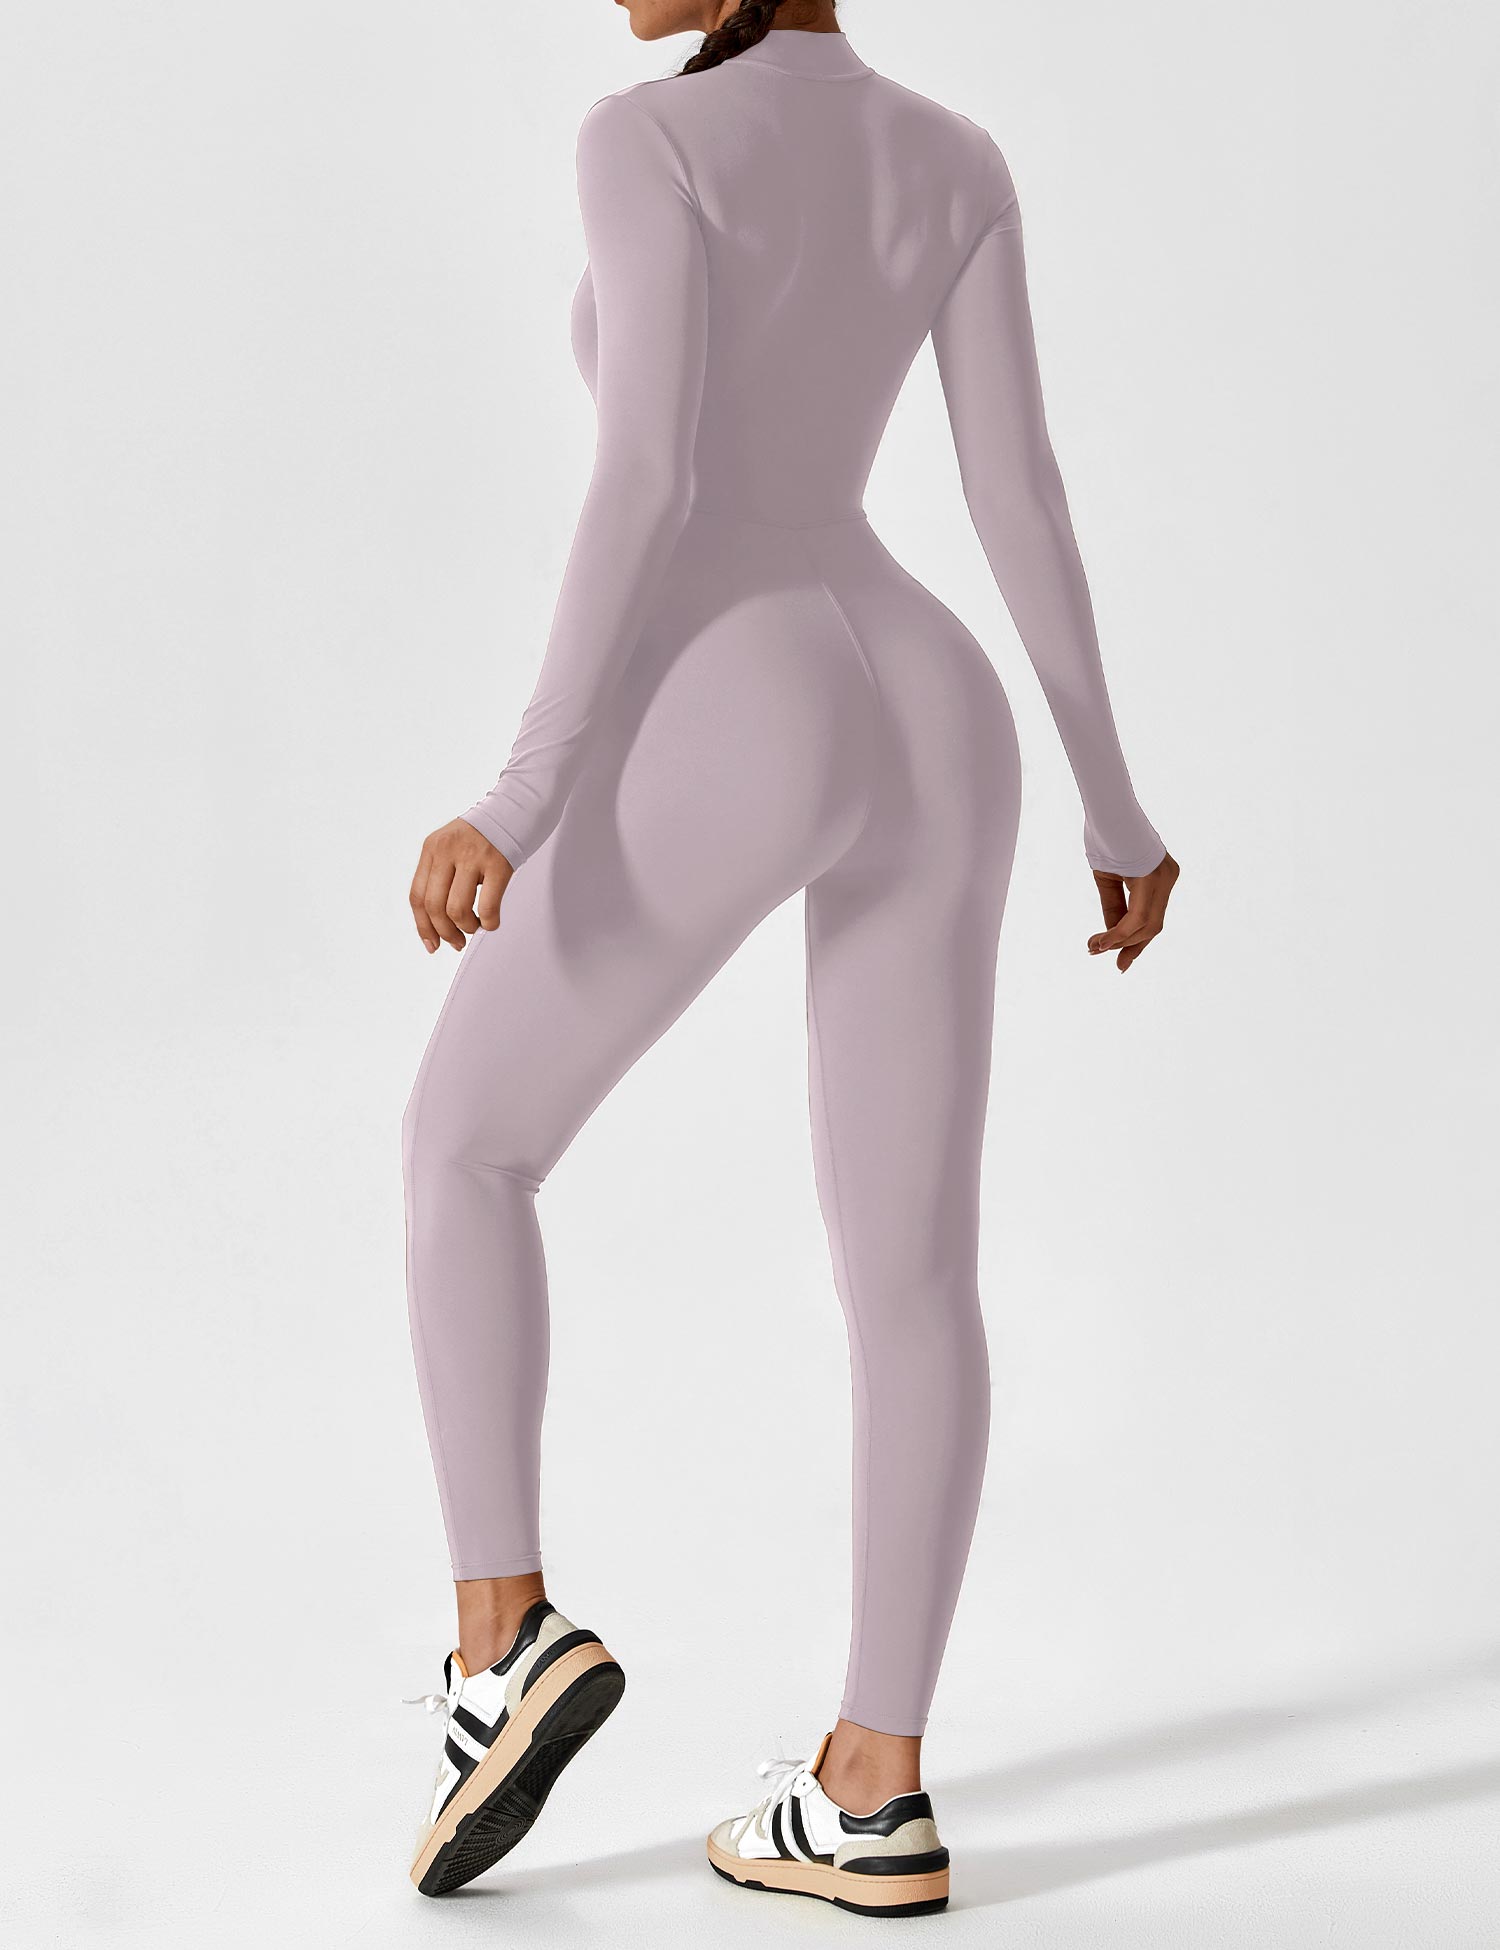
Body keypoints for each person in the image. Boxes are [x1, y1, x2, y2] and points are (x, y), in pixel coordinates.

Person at [401, 0, 1179, 1915]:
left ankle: (503, 1644)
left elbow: (649, 481)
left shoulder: (645, 139)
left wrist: (518, 793)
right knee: (914, 1275)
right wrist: (1113, 805)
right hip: (937, 706)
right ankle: (874, 1788)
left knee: (461, 1149)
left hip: (743, 689)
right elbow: (1018, 495)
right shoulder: (952, 159)